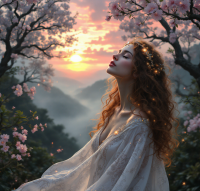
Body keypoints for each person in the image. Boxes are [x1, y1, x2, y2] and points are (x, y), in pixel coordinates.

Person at [15, 37, 180, 191]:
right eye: (119, 52)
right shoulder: (114, 112)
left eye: (126, 56)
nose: (115, 55)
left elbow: (123, 182)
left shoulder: (138, 125)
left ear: (138, 71)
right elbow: (82, 165)